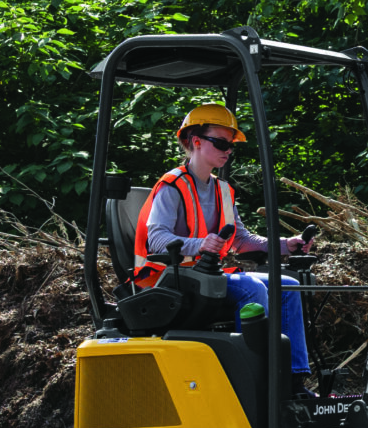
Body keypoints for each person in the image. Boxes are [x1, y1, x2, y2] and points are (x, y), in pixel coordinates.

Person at [135, 104, 317, 394]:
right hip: (174, 280)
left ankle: (292, 382)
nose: (228, 151)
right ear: (195, 142)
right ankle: (255, 382)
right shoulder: (172, 186)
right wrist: (199, 244)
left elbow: (242, 241)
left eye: (231, 146)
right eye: (221, 143)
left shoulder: (223, 190)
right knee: (252, 290)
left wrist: (286, 245)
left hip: (209, 277)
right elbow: (156, 238)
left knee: (288, 285)